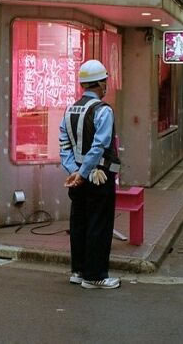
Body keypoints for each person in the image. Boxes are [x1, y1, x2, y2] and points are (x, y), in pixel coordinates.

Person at [59, 59, 121, 290]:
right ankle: (95, 276)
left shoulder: (69, 110)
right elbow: (99, 145)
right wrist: (84, 173)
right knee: (99, 224)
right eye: (105, 81)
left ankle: (78, 270)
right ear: (99, 84)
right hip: (98, 177)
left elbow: (64, 145)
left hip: (76, 178)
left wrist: (74, 172)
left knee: (79, 222)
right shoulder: (103, 110)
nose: (107, 86)